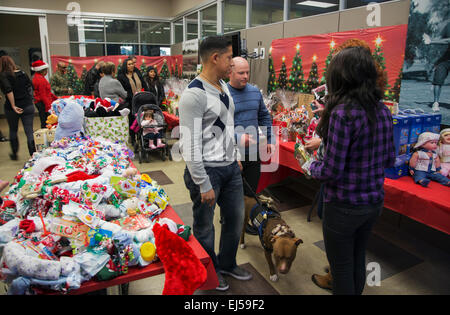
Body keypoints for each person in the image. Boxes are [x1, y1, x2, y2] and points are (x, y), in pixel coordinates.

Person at [308, 46, 395, 295]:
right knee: (358, 259)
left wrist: (312, 166)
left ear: (340, 77)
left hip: (344, 206)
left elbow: (330, 170)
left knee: (341, 267)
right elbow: (389, 158)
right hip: (373, 202)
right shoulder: (382, 110)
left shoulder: (342, 113)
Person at [179, 35, 252, 292]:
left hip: (230, 168)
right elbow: (189, 144)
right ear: (215, 58)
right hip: (207, 171)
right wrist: (202, 182)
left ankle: (227, 263)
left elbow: (227, 128)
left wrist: (236, 157)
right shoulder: (194, 95)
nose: (232, 63)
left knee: (234, 219)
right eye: (230, 57)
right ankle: (208, 273)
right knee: (204, 227)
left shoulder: (223, 88)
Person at [0, 56, 36, 160]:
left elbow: (8, 90)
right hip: (27, 105)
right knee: (29, 131)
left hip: (11, 108)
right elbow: (30, 87)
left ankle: (14, 154)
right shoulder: (23, 74)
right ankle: (33, 154)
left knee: (13, 130)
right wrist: (30, 100)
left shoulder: (3, 76)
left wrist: (13, 105)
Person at [117, 58, 148, 146]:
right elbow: (123, 90)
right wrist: (133, 96)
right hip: (130, 102)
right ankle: (133, 138)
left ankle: (141, 137)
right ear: (125, 66)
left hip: (141, 100)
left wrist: (145, 93)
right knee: (132, 120)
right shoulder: (122, 76)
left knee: (142, 119)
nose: (131, 66)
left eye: (132, 64)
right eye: (129, 64)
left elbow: (144, 84)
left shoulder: (137, 73)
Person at [32, 60, 57, 129]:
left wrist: (55, 98)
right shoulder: (40, 80)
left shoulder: (38, 77)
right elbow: (43, 95)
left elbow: (47, 92)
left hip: (42, 102)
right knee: (46, 121)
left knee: (44, 120)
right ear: (43, 70)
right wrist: (48, 107)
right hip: (43, 103)